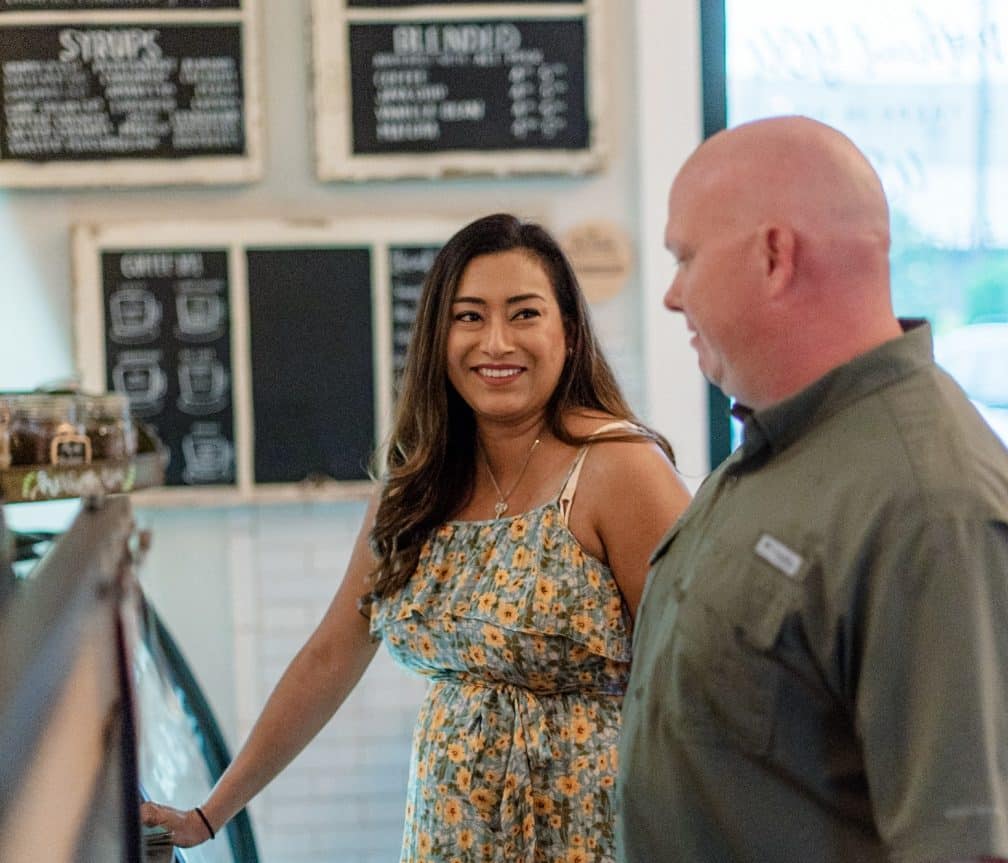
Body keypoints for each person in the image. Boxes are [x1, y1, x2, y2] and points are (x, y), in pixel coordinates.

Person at [142, 213, 690, 861]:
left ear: (567, 332)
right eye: (469, 316)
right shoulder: (415, 485)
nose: (495, 342)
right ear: (437, 335)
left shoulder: (619, 466)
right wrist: (211, 813)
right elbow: (329, 656)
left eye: (524, 313)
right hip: (447, 837)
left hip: (596, 835)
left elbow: (697, 675)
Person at [616, 114, 1008, 863]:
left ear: (775, 256)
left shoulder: (934, 509)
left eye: (686, 257)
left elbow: (968, 845)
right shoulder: (780, 445)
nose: (672, 295)